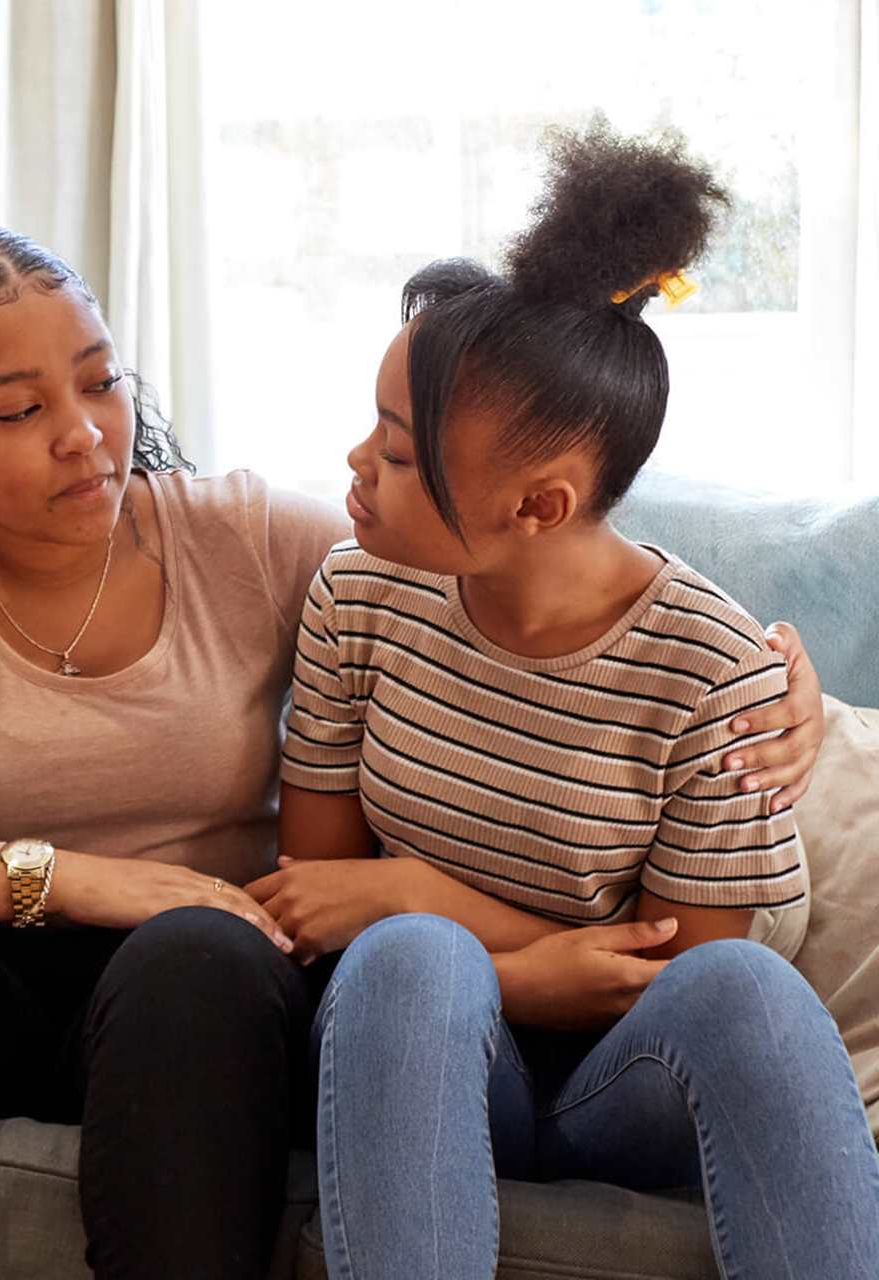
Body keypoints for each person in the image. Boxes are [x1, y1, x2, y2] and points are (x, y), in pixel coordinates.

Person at [0, 223, 826, 1279]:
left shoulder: (247, 539)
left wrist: (781, 670)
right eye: (18, 409)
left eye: (99, 381)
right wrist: (65, 877)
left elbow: (500, 545)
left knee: (199, 949)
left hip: (204, 993)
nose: (84, 434)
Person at [255, 123, 879, 1278]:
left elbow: (669, 975)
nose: (353, 464)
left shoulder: (716, 674)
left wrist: (437, 908)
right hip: (424, 1053)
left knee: (744, 986)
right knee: (409, 958)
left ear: (538, 506)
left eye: (396, 452)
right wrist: (494, 950)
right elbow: (324, 899)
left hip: (625, 1087)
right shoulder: (361, 594)